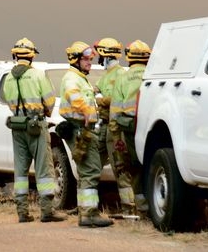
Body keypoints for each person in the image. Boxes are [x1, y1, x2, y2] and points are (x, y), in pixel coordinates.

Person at [2, 38, 67, 223]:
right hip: (36, 126)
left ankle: (22, 212)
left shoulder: (8, 78)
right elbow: (49, 101)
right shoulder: (38, 75)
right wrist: (44, 113)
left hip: (17, 126)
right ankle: (47, 211)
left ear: (15, 56)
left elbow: (8, 101)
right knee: (44, 169)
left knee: (20, 171)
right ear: (31, 56)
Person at [59, 41, 113, 228]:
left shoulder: (80, 78)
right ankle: (90, 214)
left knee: (85, 172)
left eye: (91, 59)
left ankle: (85, 212)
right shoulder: (72, 79)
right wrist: (87, 111)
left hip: (82, 129)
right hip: (80, 130)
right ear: (75, 60)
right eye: (86, 59)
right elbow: (75, 97)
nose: (90, 62)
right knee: (91, 170)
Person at [110, 40, 151, 216]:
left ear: (129, 57)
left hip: (129, 130)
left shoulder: (122, 78)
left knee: (135, 168)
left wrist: (115, 137)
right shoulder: (153, 76)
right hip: (151, 128)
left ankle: (142, 209)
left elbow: (115, 111)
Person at [93, 37, 128, 210]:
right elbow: (96, 89)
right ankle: (88, 205)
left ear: (107, 56)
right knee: (92, 165)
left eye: (100, 56)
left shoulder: (121, 74)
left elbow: (117, 98)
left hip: (114, 128)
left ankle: (128, 207)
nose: (99, 60)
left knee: (119, 167)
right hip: (103, 126)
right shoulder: (106, 75)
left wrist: (101, 101)